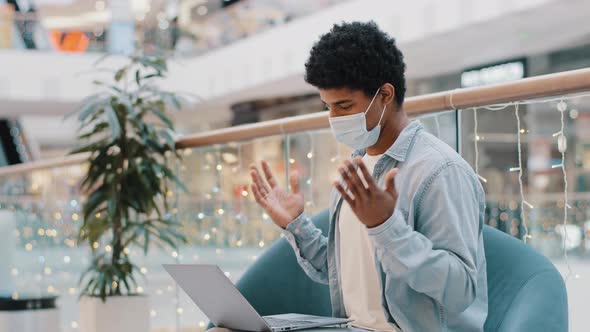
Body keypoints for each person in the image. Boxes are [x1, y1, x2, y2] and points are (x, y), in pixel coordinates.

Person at [249, 21, 487, 332]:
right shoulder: (358, 164)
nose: (334, 119)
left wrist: (387, 228)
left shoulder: (440, 171)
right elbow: (341, 271)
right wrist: (295, 224)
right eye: (328, 107)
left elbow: (460, 291)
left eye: (344, 106)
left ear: (385, 95)